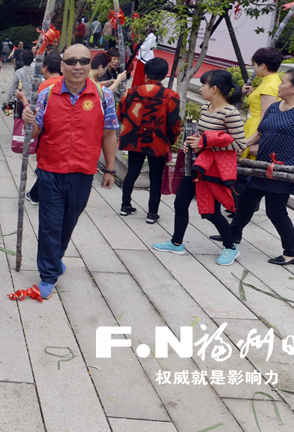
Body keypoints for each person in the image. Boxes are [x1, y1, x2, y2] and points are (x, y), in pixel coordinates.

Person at [20, 44, 119, 299]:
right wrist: (27, 121)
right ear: (61, 65)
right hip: (50, 169)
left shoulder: (103, 95)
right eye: (72, 61)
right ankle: (49, 273)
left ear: (91, 66)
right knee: (50, 224)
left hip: (83, 172)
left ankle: (56, 256)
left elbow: (109, 134)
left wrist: (109, 169)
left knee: (69, 220)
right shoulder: (47, 94)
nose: (78, 66)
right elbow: (33, 135)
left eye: (84, 61)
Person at [220, 69, 294, 266]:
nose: (280, 85)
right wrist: (242, 146)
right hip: (263, 165)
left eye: (284, 82)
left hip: (284, 170)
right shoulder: (274, 107)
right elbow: (259, 133)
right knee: (246, 200)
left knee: (275, 211)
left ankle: (292, 252)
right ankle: (232, 236)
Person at [152, 70, 245, 266]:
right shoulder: (205, 108)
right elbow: (201, 136)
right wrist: (190, 143)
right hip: (197, 166)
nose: (200, 88)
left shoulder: (231, 113)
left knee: (211, 212)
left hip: (213, 171)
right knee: (180, 204)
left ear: (214, 88)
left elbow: (239, 145)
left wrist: (204, 144)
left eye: (203, 85)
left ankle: (230, 247)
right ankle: (177, 242)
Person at [117, 58, 182, 224]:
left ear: (146, 73)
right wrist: (172, 139)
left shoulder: (131, 92)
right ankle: (152, 213)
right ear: (164, 74)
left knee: (132, 171)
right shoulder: (171, 96)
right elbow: (174, 122)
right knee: (155, 177)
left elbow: (121, 114)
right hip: (158, 140)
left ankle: (125, 206)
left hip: (134, 138)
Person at [14, 52, 67, 205]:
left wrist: (23, 99)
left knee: (46, 166)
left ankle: (37, 195)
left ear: (45, 68)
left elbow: (33, 114)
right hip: (63, 134)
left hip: (46, 134)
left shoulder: (44, 87)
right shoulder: (66, 83)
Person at [241, 47, 283, 159]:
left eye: (255, 64)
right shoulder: (272, 81)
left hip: (255, 130)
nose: (254, 68)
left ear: (263, 65)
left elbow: (266, 117)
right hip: (254, 129)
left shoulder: (269, 85)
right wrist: (253, 94)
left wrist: (256, 142)